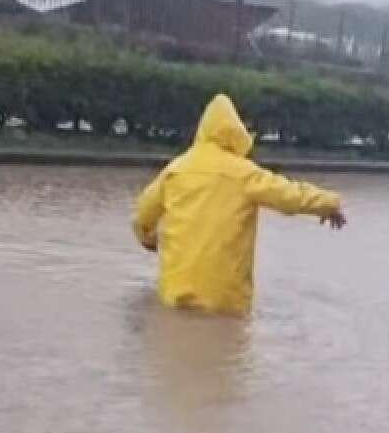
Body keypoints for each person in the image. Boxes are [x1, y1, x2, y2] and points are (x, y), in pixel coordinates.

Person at [132, 93, 346, 316]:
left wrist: (147, 238)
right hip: (224, 298)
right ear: (236, 131)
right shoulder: (244, 173)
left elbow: (142, 214)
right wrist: (329, 203)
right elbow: (289, 196)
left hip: (175, 292)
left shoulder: (176, 169)